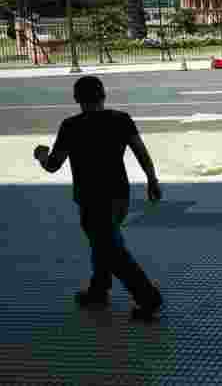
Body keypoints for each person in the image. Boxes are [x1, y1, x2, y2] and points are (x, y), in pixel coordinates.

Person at [34, 76, 164, 321]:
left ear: (77, 99)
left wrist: (41, 155)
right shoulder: (121, 120)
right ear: (103, 95)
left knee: (111, 250)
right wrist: (152, 179)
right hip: (120, 198)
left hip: (91, 199)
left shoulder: (71, 126)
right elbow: (140, 151)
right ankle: (99, 289)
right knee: (103, 243)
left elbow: (53, 165)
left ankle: (147, 297)